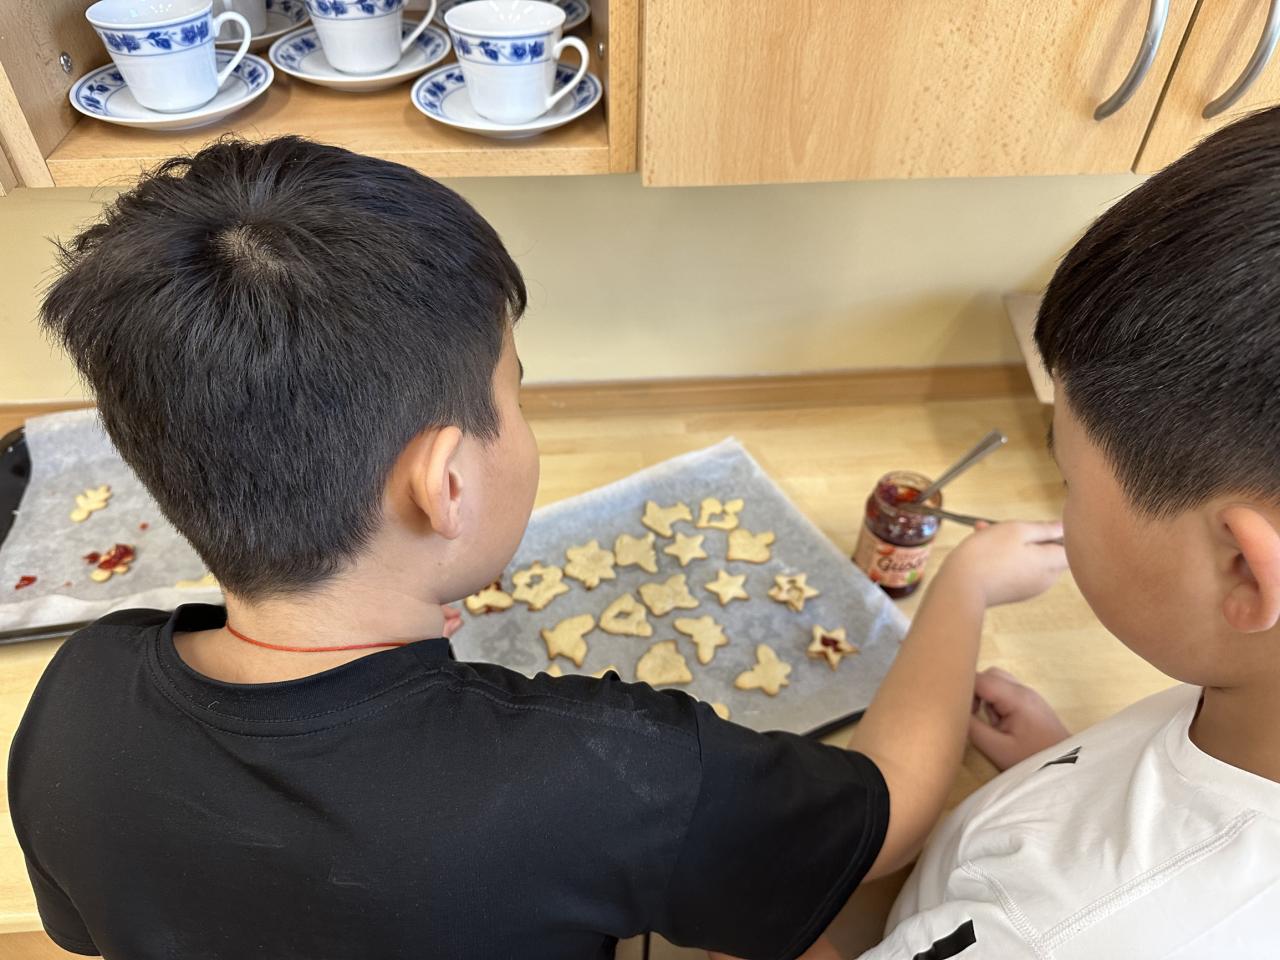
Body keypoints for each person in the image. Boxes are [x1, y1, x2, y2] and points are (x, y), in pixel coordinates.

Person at [8, 136, 1065, 959]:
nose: (523, 420)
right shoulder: (611, 771)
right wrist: (963, 588)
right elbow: (887, 812)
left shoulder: (78, 699)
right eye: (516, 395)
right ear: (446, 484)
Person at [861, 107, 1280, 960]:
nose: (1061, 503)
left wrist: (742, 920)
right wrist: (1063, 772)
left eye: (1068, 480)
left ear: (1243, 569)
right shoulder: (1249, 695)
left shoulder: (1049, 934)